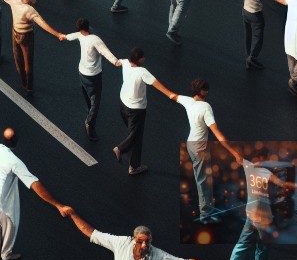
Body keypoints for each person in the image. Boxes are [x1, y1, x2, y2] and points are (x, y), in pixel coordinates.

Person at [0, 122, 72, 260]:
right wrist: (57, 205)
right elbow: (35, 185)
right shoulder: (15, 162)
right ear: (15, 142)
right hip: (3, 200)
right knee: (11, 226)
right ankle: (6, 254)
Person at [160, 78, 239, 224]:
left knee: (201, 176)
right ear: (202, 91)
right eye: (206, 89)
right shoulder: (205, 108)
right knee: (203, 180)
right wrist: (235, 153)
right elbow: (218, 133)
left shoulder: (189, 101)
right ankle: (205, 215)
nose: (207, 92)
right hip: (200, 147)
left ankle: (206, 207)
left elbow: (171, 95)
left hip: (191, 143)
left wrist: (152, 82)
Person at [113, 47, 174, 176]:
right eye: (143, 57)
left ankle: (134, 165)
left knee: (135, 134)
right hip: (136, 109)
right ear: (140, 59)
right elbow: (156, 84)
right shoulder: (142, 72)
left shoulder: (125, 62)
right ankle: (120, 149)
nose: (144, 59)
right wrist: (170, 94)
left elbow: (117, 62)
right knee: (135, 135)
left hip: (123, 104)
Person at [67, 211, 198, 260]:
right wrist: (72, 214)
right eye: (140, 241)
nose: (144, 245)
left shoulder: (159, 256)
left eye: (147, 241)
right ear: (134, 239)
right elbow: (93, 233)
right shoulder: (121, 243)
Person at [63, 18, 119, 142]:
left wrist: (63, 36)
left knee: (88, 96)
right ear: (88, 26)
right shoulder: (95, 40)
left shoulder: (79, 35)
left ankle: (89, 114)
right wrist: (116, 61)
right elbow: (105, 52)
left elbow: (69, 36)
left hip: (82, 72)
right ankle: (90, 124)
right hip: (93, 75)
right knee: (95, 101)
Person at [222, 0, 286, 69]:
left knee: (248, 35)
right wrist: (286, 2)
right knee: (258, 38)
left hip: (245, 12)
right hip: (256, 15)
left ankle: (248, 57)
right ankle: (252, 57)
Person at [2, 0, 64, 93]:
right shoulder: (30, 10)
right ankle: (29, 87)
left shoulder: (15, 2)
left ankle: (23, 82)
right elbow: (43, 24)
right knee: (28, 63)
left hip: (15, 33)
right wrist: (58, 34)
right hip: (26, 36)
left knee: (18, 59)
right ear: (30, 0)